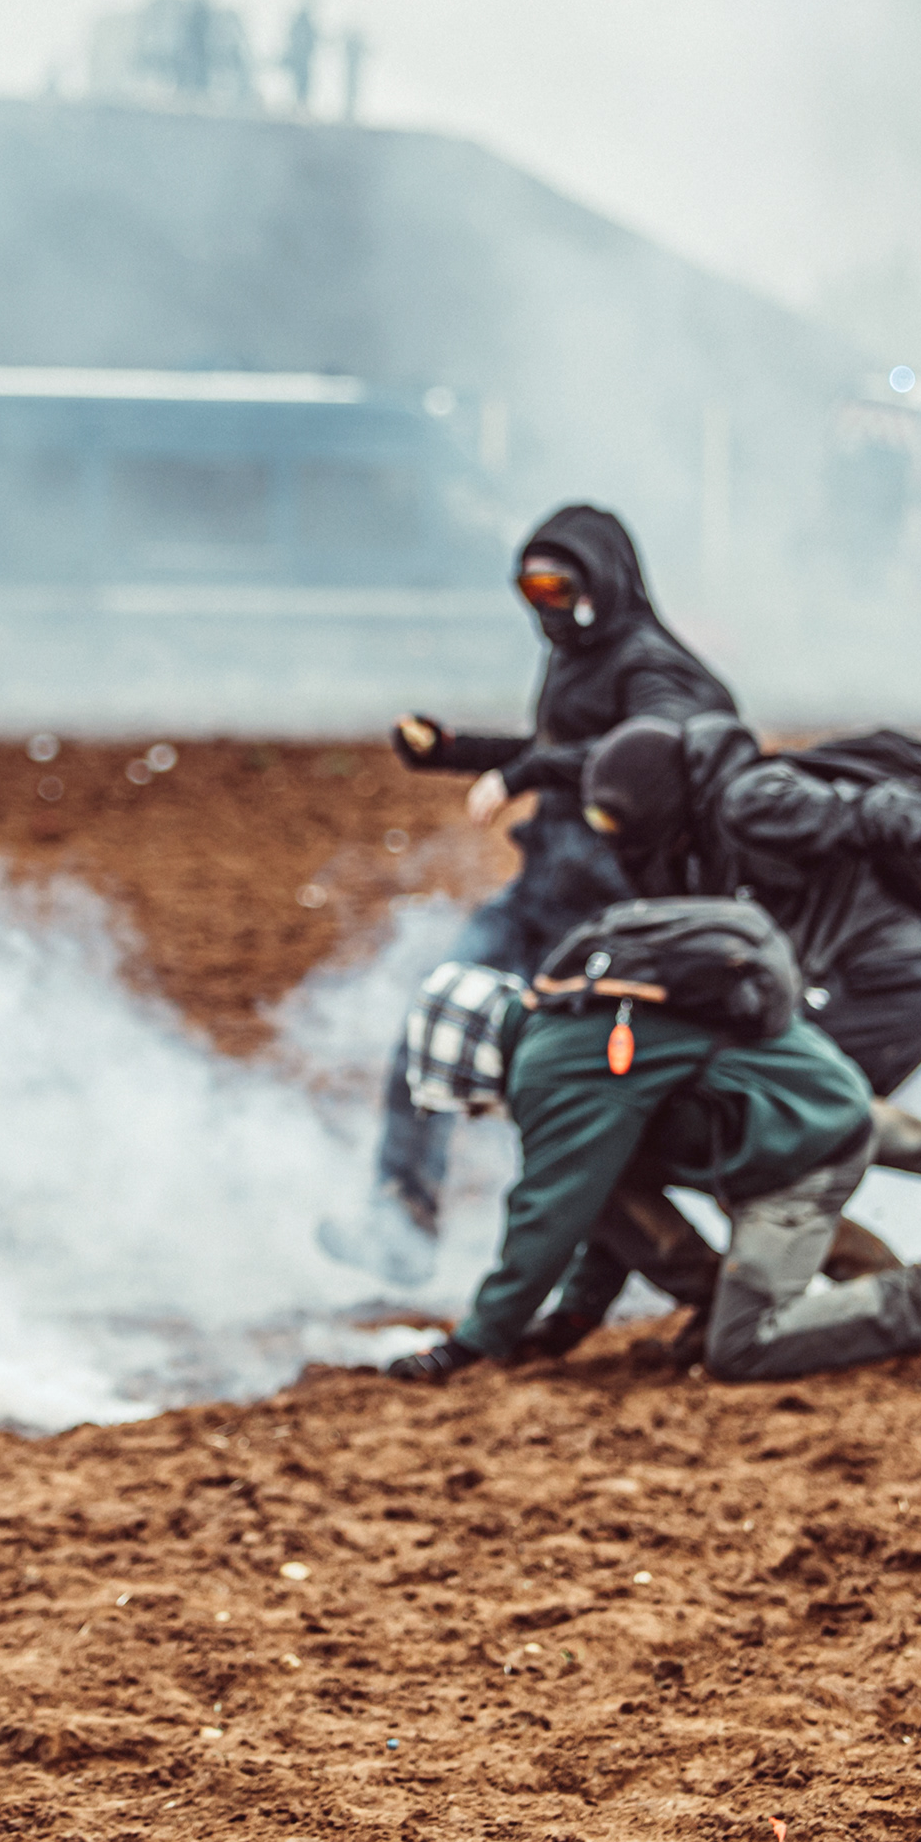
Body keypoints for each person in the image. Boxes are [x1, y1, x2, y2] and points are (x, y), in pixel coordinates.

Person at [332, 503, 735, 1286]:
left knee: (569, 1082)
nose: (547, 609)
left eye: (559, 589)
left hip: (612, 914)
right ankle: (401, 1224)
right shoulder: (578, 657)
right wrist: (455, 752)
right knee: (434, 1023)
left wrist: (521, 776)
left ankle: (632, 1263)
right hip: (541, 891)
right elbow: (559, 748)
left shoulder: (655, 668)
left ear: (602, 581)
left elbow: (654, 753)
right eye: (532, 593)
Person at [372, 935, 921, 1388]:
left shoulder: (549, 1068)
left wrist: (473, 1342)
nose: (484, 1118)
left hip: (798, 1147)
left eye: (473, 1105)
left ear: (474, 1066)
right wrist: (575, 1317)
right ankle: (751, 1292)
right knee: (620, 1199)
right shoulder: (564, 1022)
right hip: (797, 1115)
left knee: (744, 1346)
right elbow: (597, 1199)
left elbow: (547, 1211)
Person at [575, 709, 921, 1291]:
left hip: (884, 988)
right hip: (847, 987)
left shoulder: (749, 802)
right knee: (754, 1145)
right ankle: (887, 1289)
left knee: (768, 1128)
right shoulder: (691, 851)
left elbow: (872, 808)